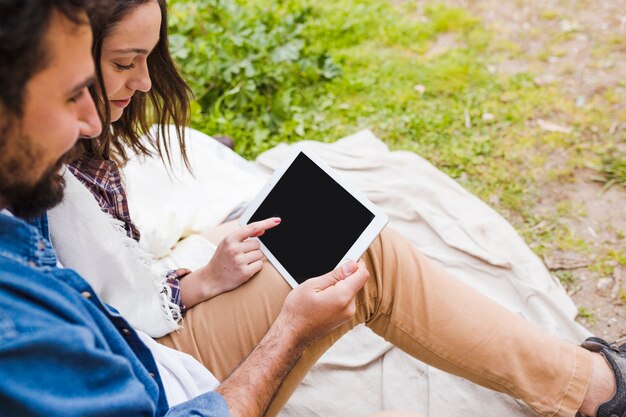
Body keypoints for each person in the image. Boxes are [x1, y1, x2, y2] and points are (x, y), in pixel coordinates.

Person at [39, 2, 626, 417]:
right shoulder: (34, 182)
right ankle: (595, 390)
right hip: (148, 376)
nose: (144, 83)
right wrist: (289, 330)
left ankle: (588, 386)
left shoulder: (65, 144)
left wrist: (190, 284)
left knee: (334, 228)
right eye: (123, 63)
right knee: (361, 254)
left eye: (148, 58)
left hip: (138, 345)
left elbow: (98, 288)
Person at [0, 1, 393, 416]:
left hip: (150, 347)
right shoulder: (20, 331)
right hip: (167, 372)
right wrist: (292, 333)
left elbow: (107, 282)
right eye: (70, 94)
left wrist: (200, 281)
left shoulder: (24, 213)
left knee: (260, 228)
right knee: (372, 257)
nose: (93, 123)